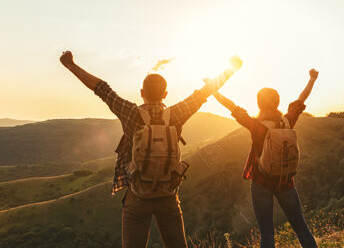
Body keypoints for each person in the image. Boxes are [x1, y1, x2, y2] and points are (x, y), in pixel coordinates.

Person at [60, 51, 241, 248]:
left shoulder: (130, 113)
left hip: (138, 196)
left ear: (141, 93)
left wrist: (71, 65)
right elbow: (204, 92)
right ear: (165, 94)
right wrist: (231, 69)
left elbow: (102, 89)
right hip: (168, 195)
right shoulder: (176, 114)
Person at [204, 69, 319, 248]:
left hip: (261, 183)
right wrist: (312, 79)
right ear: (278, 102)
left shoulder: (256, 126)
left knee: (267, 233)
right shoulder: (287, 121)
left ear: (258, 103)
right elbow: (301, 99)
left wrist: (214, 91)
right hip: (286, 182)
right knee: (301, 227)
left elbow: (231, 106)